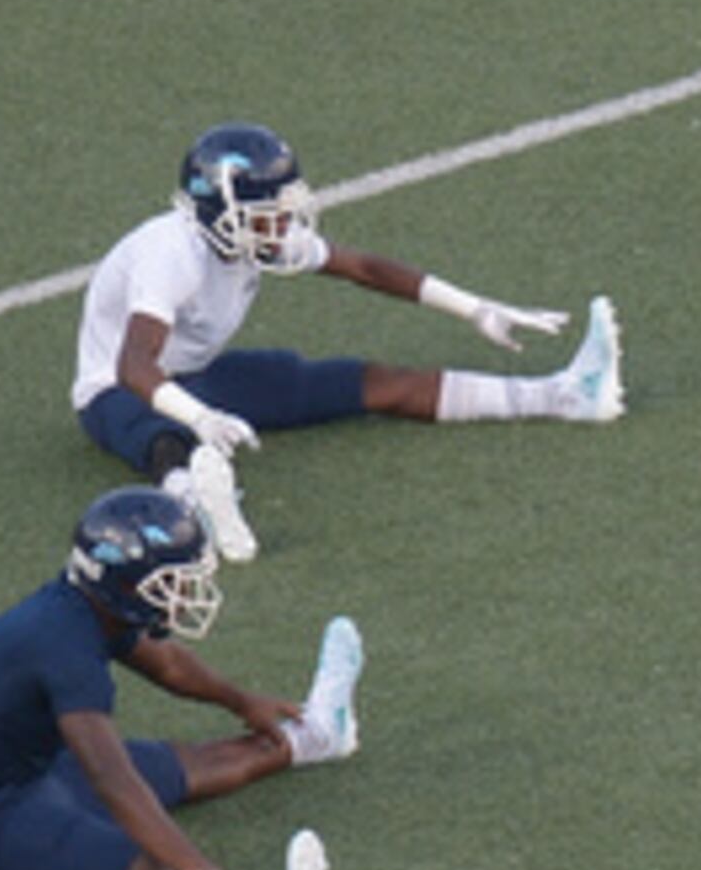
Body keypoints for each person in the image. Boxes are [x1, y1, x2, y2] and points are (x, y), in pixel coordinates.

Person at [73, 122, 622, 563]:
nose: (284, 225)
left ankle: (565, 394)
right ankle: (196, 501)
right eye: (269, 216)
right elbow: (134, 366)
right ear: (222, 213)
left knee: (369, 383)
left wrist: (474, 306)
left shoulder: (250, 237)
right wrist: (200, 417)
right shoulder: (170, 255)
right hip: (115, 392)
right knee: (170, 440)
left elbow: (363, 267)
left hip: (199, 376)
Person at [0, 484, 353, 870]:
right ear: (123, 585)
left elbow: (168, 666)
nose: (185, 593)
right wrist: (194, 867)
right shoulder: (64, 647)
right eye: (172, 581)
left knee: (188, 763)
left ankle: (315, 737)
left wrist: (242, 701)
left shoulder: (87, 608)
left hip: (35, 772)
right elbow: (112, 780)